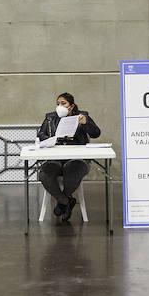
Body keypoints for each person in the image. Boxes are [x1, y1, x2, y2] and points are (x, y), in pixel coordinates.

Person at [35, 92, 101, 223]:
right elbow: (40, 135)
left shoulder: (82, 116)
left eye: (63, 103)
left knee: (72, 169)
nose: (60, 106)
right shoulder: (50, 118)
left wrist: (86, 123)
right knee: (45, 173)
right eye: (58, 104)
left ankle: (61, 202)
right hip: (56, 157)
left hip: (77, 159)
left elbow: (96, 133)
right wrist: (50, 139)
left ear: (71, 106)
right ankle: (66, 201)